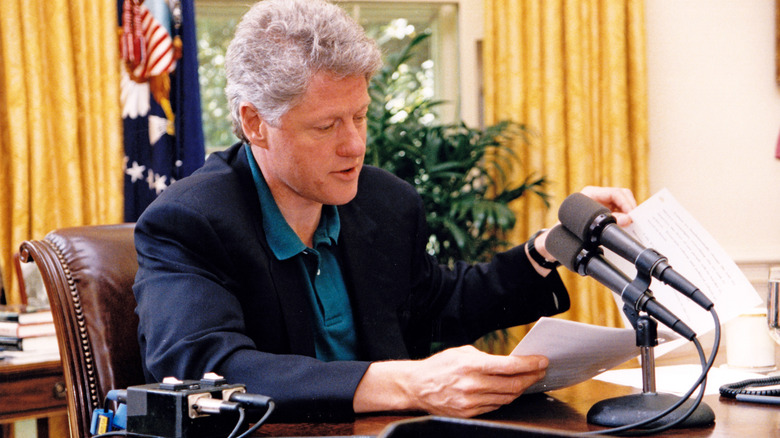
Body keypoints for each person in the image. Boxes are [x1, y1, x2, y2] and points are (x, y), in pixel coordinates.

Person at [132, 0, 637, 422]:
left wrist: (546, 249)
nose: (355, 146)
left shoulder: (384, 202)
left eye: (361, 115)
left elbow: (440, 307)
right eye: (328, 126)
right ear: (255, 123)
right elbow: (205, 369)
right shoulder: (187, 222)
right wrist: (404, 383)